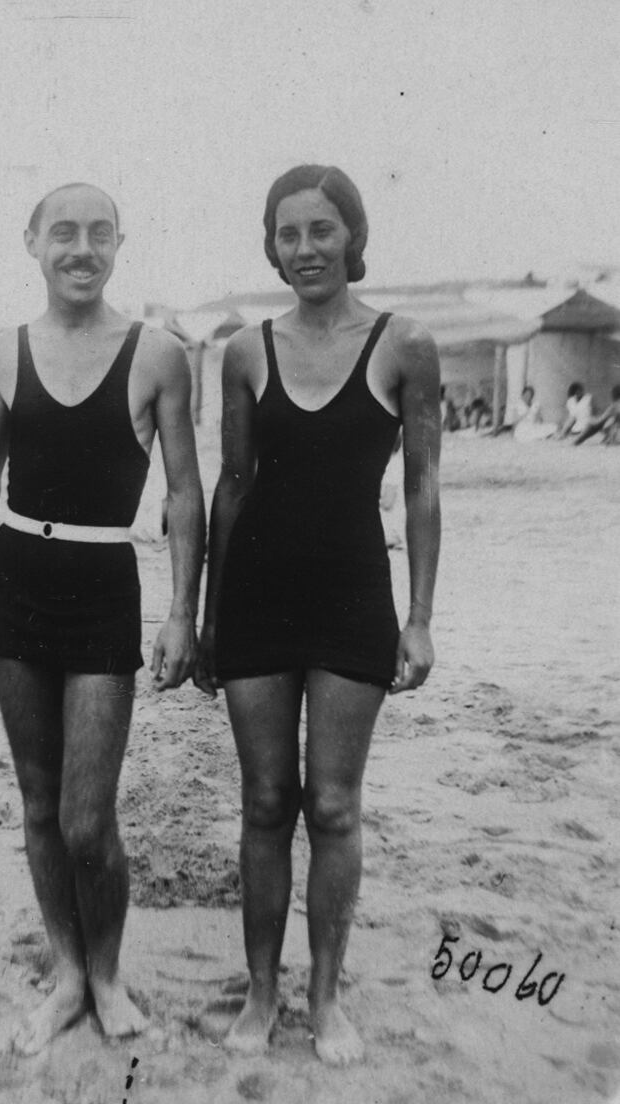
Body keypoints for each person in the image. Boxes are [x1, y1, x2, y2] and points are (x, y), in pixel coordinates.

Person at [0, 183, 205, 1055]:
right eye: (62, 233)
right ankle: (69, 974)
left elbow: (185, 493)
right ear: (31, 242)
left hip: (105, 581)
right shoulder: (2, 354)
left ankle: (108, 975)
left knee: (86, 818)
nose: (81, 249)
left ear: (120, 245)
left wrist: (183, 611)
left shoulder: (159, 356)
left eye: (99, 234)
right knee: (38, 806)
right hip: (18, 579)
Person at [194, 164, 441, 1065]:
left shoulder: (405, 344)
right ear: (272, 244)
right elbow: (231, 486)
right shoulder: (246, 351)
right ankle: (262, 991)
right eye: (287, 233)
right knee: (265, 802)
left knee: (333, 806)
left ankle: (325, 996)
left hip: (351, 597)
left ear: (353, 237)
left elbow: (421, 485)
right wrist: (214, 617)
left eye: (321, 230)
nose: (304, 249)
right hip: (257, 595)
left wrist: (419, 618)